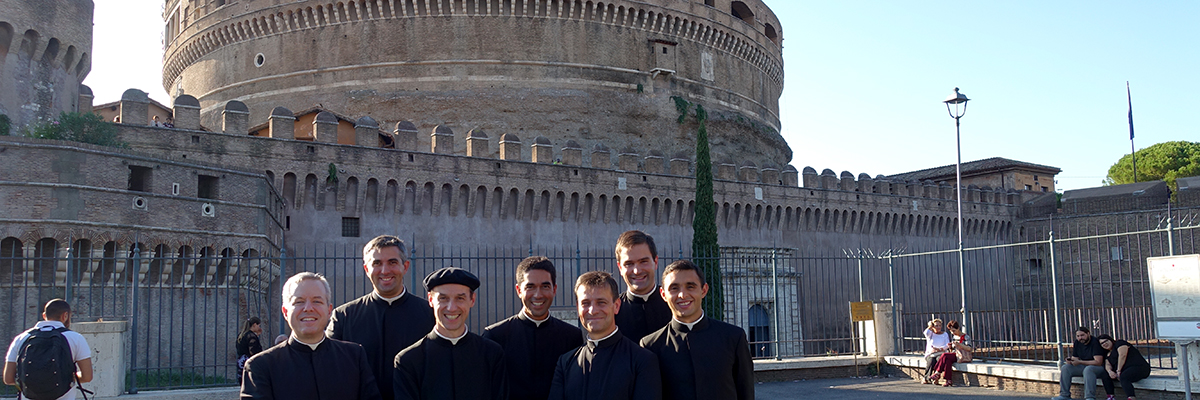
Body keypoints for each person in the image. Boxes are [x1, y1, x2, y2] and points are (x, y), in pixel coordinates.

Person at [241, 272, 381, 400]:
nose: (308, 308)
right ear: (285, 312)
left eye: (317, 301)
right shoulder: (260, 366)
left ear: (328, 310)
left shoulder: (354, 357)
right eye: (299, 302)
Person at [328, 235, 435, 400]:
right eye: (376, 263)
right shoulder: (344, 317)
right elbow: (329, 369)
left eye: (392, 262)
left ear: (405, 266)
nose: (385, 271)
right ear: (366, 269)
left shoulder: (430, 315)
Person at [640, 260, 754, 400]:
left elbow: (746, 392)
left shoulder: (733, 337)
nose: (683, 295)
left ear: (704, 290)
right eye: (674, 288)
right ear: (663, 295)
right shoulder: (651, 345)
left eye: (690, 286)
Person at [393, 267, 507, 400]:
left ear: (472, 300)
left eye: (460, 298)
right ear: (430, 300)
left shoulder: (492, 354)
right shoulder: (409, 360)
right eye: (443, 298)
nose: (451, 308)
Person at [549, 271, 661, 400]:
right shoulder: (566, 363)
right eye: (585, 303)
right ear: (578, 307)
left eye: (601, 302)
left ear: (616, 306)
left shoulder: (642, 360)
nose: (593, 310)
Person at [483, 256, 583, 400]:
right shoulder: (495, 336)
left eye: (545, 286)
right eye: (530, 287)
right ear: (518, 290)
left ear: (554, 289)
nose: (538, 295)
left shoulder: (572, 337)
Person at [3, 299, 93, 400]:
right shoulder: (75, 338)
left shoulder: (21, 338)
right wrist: (67, 378)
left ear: (44, 316)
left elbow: (8, 378)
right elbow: (87, 376)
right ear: (65, 316)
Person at [612, 231, 671, 342]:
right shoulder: (613, 312)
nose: (637, 271)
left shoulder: (674, 305)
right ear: (620, 268)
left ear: (656, 262)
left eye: (643, 261)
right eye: (629, 264)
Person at [1053, 326, 1107, 400]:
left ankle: (1090, 397)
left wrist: (1080, 362)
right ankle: (1064, 395)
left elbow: (1098, 362)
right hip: (1084, 366)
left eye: (1082, 335)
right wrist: (1071, 360)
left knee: (1088, 369)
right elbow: (1075, 357)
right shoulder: (1077, 342)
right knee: (1065, 368)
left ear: (1088, 334)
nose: (1080, 338)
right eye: (1078, 336)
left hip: (1098, 368)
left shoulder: (1095, 342)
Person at [1097, 334, 1151, 400]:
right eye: (1102, 343)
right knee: (1105, 374)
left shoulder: (1120, 343)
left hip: (1139, 368)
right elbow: (1107, 364)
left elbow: (1122, 355)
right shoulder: (1107, 353)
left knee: (1124, 376)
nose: (1104, 344)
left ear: (1110, 340)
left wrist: (1118, 370)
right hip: (1123, 371)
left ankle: (1131, 397)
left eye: (1106, 341)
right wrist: (1110, 372)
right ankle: (1110, 397)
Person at [929, 320, 971, 387]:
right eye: (951, 331)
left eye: (954, 330)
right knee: (947, 361)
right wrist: (950, 347)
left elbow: (969, 348)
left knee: (944, 355)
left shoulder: (965, 337)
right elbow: (953, 349)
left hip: (961, 355)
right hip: (955, 354)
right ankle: (948, 380)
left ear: (958, 328)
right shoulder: (954, 337)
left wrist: (959, 345)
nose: (952, 333)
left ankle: (937, 373)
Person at [920, 318, 951, 384]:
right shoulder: (930, 334)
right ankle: (926, 378)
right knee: (931, 361)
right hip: (931, 353)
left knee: (939, 360)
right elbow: (926, 332)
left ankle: (936, 377)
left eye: (940, 325)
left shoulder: (945, 334)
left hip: (941, 352)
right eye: (936, 326)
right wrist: (930, 326)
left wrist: (940, 349)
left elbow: (947, 344)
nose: (938, 327)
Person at [236, 317, 264, 384]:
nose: (259, 327)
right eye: (258, 325)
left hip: (241, 360)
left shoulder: (241, 335)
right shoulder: (251, 336)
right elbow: (253, 350)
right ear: (254, 325)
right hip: (249, 361)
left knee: (243, 381)